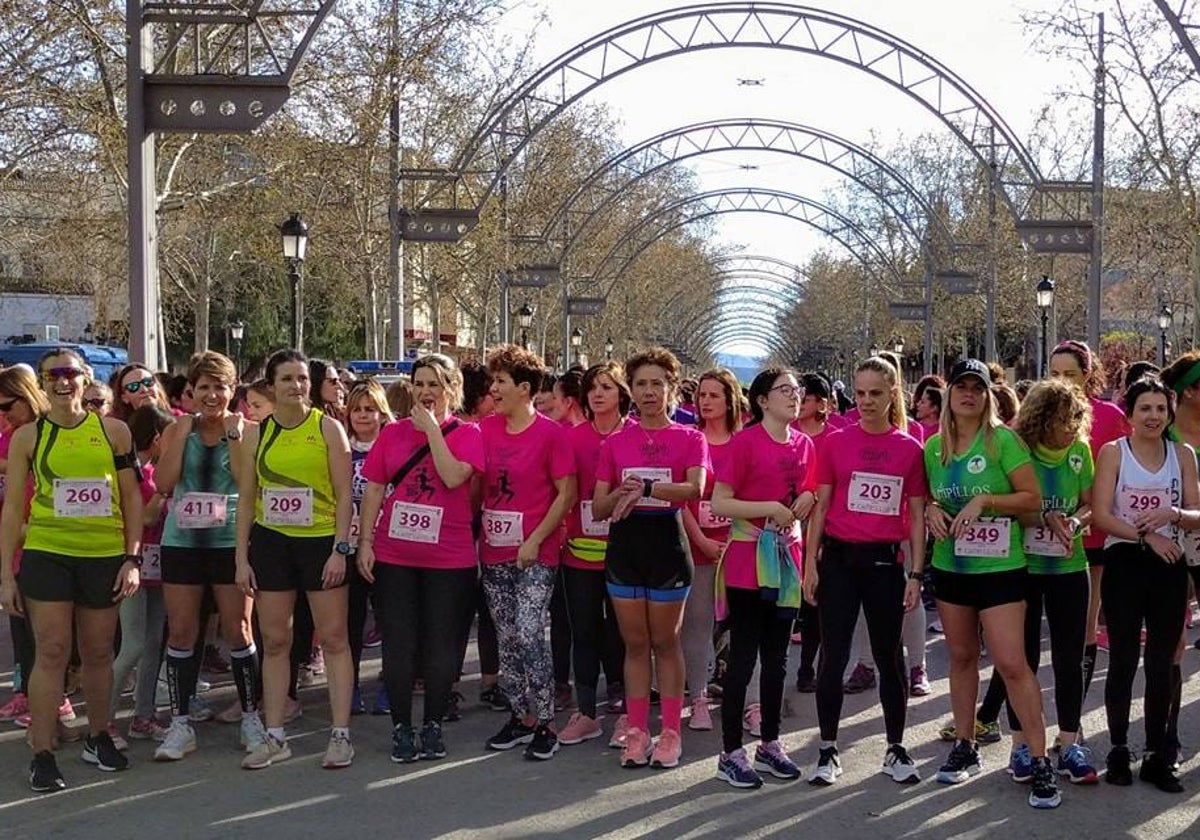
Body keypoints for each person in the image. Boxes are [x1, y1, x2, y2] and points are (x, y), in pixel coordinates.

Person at [1, 348, 144, 792]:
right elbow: (10, 510)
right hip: (48, 553)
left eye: (70, 373)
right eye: (52, 375)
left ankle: (98, 736)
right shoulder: (29, 436)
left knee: (99, 651)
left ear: (86, 378)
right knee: (53, 652)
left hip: (102, 556)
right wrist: (7, 574)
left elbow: (132, 497)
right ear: (43, 384)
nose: (63, 382)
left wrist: (132, 557)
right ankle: (42, 753)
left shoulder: (114, 432)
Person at [924, 359, 1060, 809]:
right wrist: (930, 510)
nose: (968, 394)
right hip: (952, 566)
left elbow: (1031, 499)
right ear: (949, 395)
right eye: (960, 386)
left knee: (1011, 662)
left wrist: (985, 499)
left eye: (977, 388)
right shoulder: (934, 447)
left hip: (1000, 569)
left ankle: (1040, 760)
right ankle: (965, 745)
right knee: (961, 656)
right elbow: (930, 496)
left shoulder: (1003, 441)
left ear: (987, 396)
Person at [802, 357, 926, 787]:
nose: (867, 401)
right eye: (860, 393)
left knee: (891, 658)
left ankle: (895, 748)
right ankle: (827, 749)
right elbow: (819, 507)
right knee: (833, 657)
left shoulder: (910, 448)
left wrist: (915, 574)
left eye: (876, 392)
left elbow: (914, 517)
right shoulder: (835, 443)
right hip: (838, 561)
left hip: (883, 564)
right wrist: (810, 564)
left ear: (892, 393)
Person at [972, 379, 1099, 782]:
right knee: (1020, 661)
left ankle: (1069, 741)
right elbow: (1013, 506)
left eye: (1077, 419)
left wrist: (1076, 521)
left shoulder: (1080, 453)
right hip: (1023, 567)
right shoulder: (1018, 451)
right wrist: (1043, 518)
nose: (1071, 428)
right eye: (1063, 420)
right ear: (1043, 419)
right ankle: (1020, 746)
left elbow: (1090, 502)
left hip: (1067, 567)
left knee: (1069, 658)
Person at [356, 354, 482, 762]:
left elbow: (451, 476)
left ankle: (432, 725)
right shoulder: (391, 435)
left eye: (435, 384)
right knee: (400, 644)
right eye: (420, 383)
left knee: (441, 647)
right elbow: (374, 489)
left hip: (450, 558)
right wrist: (365, 543)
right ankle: (401, 727)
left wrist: (431, 432)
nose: (426, 392)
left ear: (452, 389)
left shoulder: (468, 433)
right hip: (396, 554)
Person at [234, 349, 355, 770]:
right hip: (271, 544)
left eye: (302, 378)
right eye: (287, 379)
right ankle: (275, 736)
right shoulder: (256, 433)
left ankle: (340, 735)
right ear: (271, 386)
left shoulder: (328, 429)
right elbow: (247, 498)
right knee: (276, 641)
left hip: (320, 543)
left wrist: (341, 548)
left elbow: (345, 497)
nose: (296, 386)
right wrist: (241, 557)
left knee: (335, 637)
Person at [592, 347, 706, 770]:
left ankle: (671, 730)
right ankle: (638, 730)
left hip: (668, 549)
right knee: (635, 644)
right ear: (631, 391)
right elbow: (599, 506)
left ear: (671, 387)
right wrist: (622, 493)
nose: (649, 391)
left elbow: (695, 489)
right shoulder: (616, 443)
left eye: (657, 382)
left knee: (665, 641)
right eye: (640, 383)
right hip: (625, 548)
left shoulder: (690, 438)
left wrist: (648, 490)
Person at [154, 351, 264, 760]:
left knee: (239, 629)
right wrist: (181, 435)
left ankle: (251, 716)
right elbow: (164, 484)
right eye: (204, 387)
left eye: (220, 386)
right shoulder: (178, 429)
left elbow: (243, 480)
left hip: (229, 542)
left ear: (233, 390)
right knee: (182, 630)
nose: (212, 394)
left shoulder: (248, 431)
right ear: (191, 392)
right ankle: (180, 723)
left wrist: (234, 435)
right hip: (182, 541)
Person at [1091, 376, 1198, 792]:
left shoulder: (1182, 454)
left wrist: (1172, 514)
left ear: (1169, 412)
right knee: (1121, 660)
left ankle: (1157, 753)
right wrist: (1143, 535)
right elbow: (1101, 515)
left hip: (1169, 564)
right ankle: (1118, 749)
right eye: (1144, 409)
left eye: (1159, 409)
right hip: (1125, 562)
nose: (1153, 416)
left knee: (1162, 662)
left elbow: (1196, 512)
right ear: (1130, 414)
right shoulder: (1114, 453)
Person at [709, 367, 814, 789]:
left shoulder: (805, 444)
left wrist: (808, 496)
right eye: (784, 390)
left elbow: (811, 491)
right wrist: (768, 507)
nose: (794, 396)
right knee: (742, 659)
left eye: (797, 390)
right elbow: (720, 501)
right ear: (762, 400)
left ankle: (770, 742)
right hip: (748, 558)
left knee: (778, 660)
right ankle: (730, 750)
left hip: (787, 557)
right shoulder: (744, 443)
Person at [479, 345, 576, 761]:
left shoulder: (552, 434)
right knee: (506, 636)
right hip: (493, 550)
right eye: (493, 380)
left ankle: (549, 722)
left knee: (530, 630)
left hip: (537, 553)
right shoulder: (483, 430)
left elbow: (567, 492)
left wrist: (536, 538)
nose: (493, 388)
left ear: (524, 388)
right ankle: (521, 717)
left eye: (501, 381)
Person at [1049, 340, 1129, 697]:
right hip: (1038, 540)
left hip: (1093, 538)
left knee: (1084, 626)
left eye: (1070, 374)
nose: (1062, 382)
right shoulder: (1034, 414)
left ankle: (1073, 721)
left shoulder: (1110, 417)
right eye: (1054, 374)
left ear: (1088, 375)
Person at [558, 362, 631, 747]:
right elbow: (565, 492)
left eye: (606, 386)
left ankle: (624, 709)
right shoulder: (572, 438)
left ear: (622, 393)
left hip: (627, 552)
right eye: (592, 388)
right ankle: (586, 711)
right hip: (580, 553)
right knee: (582, 630)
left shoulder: (635, 436)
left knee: (624, 632)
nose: (598, 394)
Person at [680, 368, 743, 732]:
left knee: (743, 627)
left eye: (714, 395)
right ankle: (698, 697)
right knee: (697, 624)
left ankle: (747, 701)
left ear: (730, 399)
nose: (705, 401)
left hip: (739, 547)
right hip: (699, 547)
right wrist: (701, 541)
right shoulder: (691, 440)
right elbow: (683, 500)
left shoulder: (744, 441)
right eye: (701, 395)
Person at [107, 406, 172, 749]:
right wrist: (164, 490)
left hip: (159, 567)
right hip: (131, 564)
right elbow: (145, 518)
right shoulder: (135, 472)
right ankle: (103, 722)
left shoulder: (158, 470)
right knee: (131, 645)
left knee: (152, 644)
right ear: (159, 437)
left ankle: (143, 716)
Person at [453, 359, 504, 711]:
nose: (496, 396)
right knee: (455, 607)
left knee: (489, 606)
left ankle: (491, 680)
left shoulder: (497, 428)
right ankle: (449, 682)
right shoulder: (458, 430)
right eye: (491, 391)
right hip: (457, 526)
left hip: (490, 522)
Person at [0, 366, 47, 728]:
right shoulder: (11, 435)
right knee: (19, 621)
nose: (2, 415)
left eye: (6, 406)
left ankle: (52, 699)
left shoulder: (47, 433)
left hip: (46, 541)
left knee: (46, 631)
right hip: (14, 541)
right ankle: (26, 693)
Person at [343, 379, 393, 714]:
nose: (363, 416)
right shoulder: (340, 447)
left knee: (390, 620)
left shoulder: (391, 445)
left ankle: (391, 683)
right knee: (350, 622)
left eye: (369, 409)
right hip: (347, 545)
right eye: (357, 409)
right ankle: (349, 686)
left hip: (386, 545)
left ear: (381, 412)